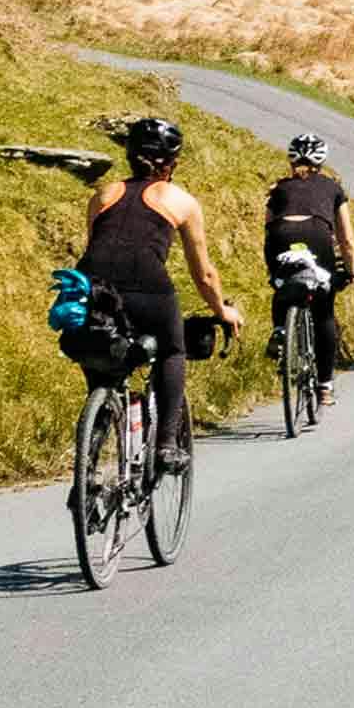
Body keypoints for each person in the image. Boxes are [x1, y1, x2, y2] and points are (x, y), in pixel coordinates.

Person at [78, 116, 241, 469]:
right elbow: (204, 275)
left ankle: (90, 450)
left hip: (93, 288)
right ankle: (166, 444)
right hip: (148, 288)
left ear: (130, 156)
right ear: (172, 163)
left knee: (102, 364)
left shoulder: (103, 194)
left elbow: (96, 248)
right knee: (172, 350)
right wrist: (222, 311)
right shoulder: (179, 199)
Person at [264, 133, 354, 408]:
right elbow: (347, 239)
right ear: (322, 160)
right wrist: (352, 268)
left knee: (283, 286)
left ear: (291, 159)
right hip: (317, 235)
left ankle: (281, 328)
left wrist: (274, 269)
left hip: (280, 236)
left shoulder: (279, 188)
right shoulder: (333, 187)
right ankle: (325, 386)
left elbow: (268, 228)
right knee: (323, 312)